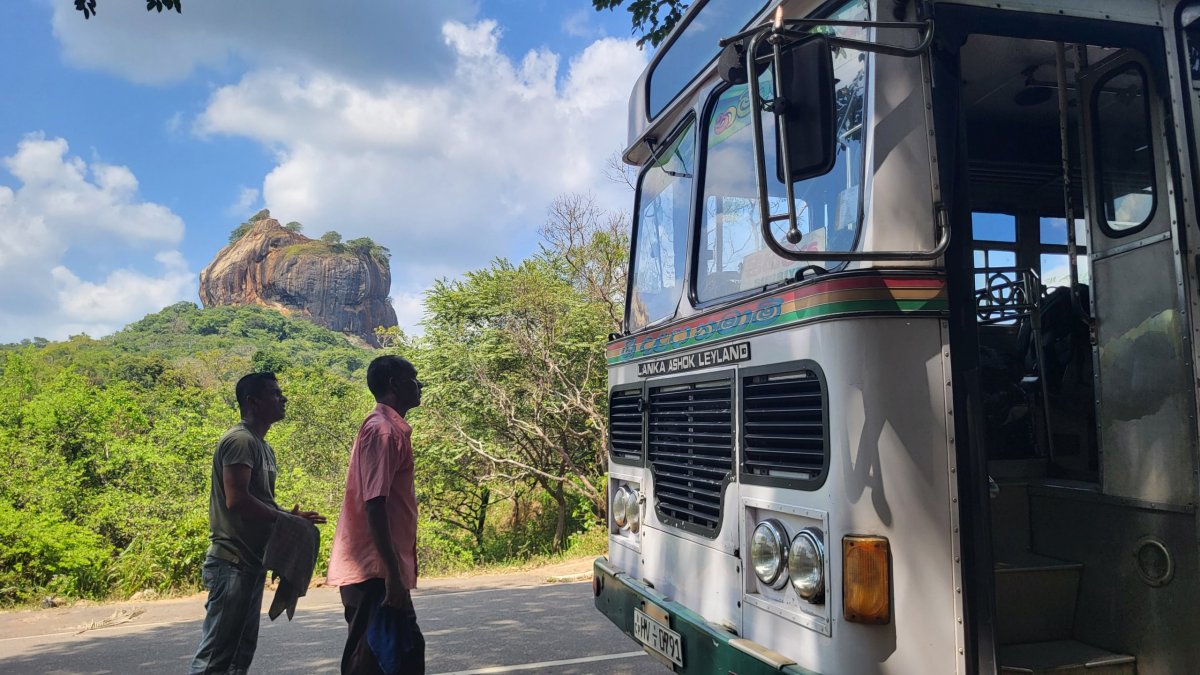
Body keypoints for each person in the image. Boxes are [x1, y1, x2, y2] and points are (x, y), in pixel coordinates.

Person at [190, 372, 326, 675]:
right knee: (216, 657)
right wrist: (285, 520)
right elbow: (237, 500)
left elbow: (259, 499)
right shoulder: (240, 441)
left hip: (250, 564)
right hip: (231, 564)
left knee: (239, 655)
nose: (283, 398)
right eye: (275, 393)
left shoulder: (263, 446)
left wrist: (291, 518)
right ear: (253, 401)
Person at [327, 355, 425, 675]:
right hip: (375, 573)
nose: (419, 385)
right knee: (373, 662)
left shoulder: (389, 429)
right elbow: (375, 504)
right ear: (395, 385)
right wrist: (392, 575)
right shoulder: (383, 432)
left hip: (381, 571)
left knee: (401, 656)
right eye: (413, 379)